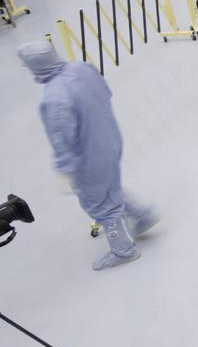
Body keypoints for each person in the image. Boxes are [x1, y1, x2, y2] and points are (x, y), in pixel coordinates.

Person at [16, 42, 160, 271]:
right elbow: (105, 92)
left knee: (100, 203)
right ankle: (144, 216)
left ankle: (124, 251)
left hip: (88, 159)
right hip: (110, 139)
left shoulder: (54, 97)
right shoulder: (81, 67)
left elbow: (62, 138)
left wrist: (64, 171)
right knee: (110, 187)